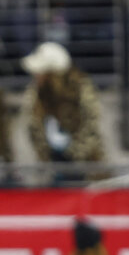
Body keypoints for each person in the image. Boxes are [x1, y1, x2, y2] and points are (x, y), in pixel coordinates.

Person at [21, 42, 106, 175]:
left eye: (41, 72)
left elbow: (91, 125)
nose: (36, 75)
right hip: (52, 167)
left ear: (52, 73)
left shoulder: (81, 89)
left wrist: (76, 154)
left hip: (85, 166)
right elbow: (33, 129)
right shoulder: (34, 94)